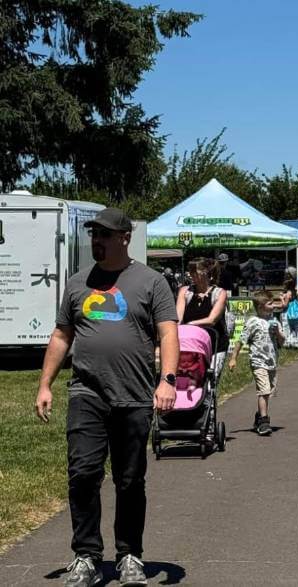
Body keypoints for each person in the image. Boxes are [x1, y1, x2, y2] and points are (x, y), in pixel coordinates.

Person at [35, 208, 179, 587]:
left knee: (129, 480)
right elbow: (62, 335)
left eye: (104, 234)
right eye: (93, 234)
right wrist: (45, 384)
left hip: (133, 395)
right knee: (83, 474)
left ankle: (130, 553)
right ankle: (86, 556)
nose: (96, 240)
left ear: (124, 238)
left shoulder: (151, 282)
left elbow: (167, 333)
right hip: (87, 392)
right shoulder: (78, 283)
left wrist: (167, 379)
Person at [228, 290, 285, 436]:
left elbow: (282, 341)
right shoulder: (253, 322)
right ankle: (264, 422)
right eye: (270, 303)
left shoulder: (274, 321)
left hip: (271, 361)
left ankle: (259, 415)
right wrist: (233, 358)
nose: (273, 305)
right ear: (260, 307)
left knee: (269, 391)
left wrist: (277, 332)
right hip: (258, 361)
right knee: (264, 391)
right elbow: (241, 340)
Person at [176, 258, 229, 374]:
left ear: (207, 272)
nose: (191, 275)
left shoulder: (220, 293)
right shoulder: (185, 292)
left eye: (195, 271)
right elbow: (178, 319)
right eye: (190, 271)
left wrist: (190, 324)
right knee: (188, 376)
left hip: (215, 344)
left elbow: (212, 320)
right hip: (191, 344)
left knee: (211, 378)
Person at [278, 277, 298, 348]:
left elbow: (285, 305)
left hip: (288, 312)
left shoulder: (288, 293)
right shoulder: (294, 292)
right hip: (296, 312)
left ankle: (290, 343)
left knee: (288, 328)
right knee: (297, 328)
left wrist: (282, 299)